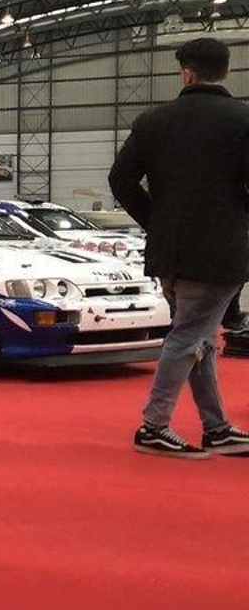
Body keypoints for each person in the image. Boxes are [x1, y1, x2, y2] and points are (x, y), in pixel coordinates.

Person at [109, 36, 249, 458]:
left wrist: (157, 220)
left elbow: (121, 180)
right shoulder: (242, 121)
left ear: (185, 72)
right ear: (225, 72)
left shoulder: (153, 121)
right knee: (190, 334)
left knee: (199, 336)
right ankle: (154, 425)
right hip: (220, 251)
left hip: (168, 250)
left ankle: (217, 427)